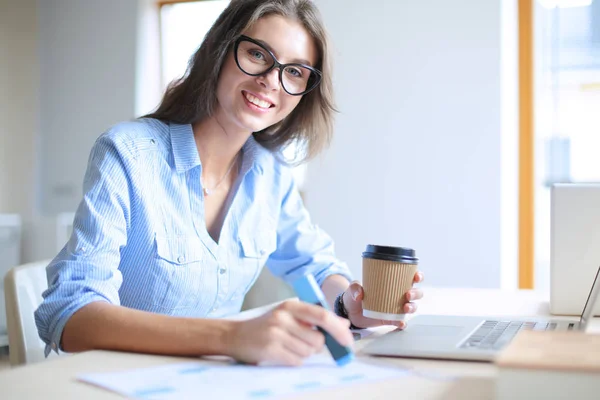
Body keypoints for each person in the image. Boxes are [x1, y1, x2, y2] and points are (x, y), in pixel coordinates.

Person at [34, 0, 424, 366]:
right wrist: (231, 336)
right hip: (111, 383)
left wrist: (349, 305)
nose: (272, 80)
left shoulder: (271, 174)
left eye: (294, 72)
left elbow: (315, 265)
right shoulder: (128, 153)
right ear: (220, 51)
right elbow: (71, 316)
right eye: (258, 54)